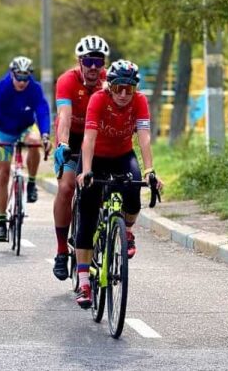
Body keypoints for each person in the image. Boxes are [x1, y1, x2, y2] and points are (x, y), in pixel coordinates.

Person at [74, 59, 164, 308]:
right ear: (109, 86)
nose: (124, 94)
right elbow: (89, 138)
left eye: (130, 89)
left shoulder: (140, 101)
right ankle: (83, 283)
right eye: (118, 88)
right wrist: (87, 171)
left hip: (123, 155)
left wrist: (149, 170)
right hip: (96, 157)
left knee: (134, 189)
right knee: (89, 213)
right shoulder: (98, 100)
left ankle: (127, 231)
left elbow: (144, 138)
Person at [51, 35, 110, 281]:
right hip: (72, 140)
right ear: (80, 61)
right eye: (89, 61)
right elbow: (64, 116)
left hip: (96, 140)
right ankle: (62, 251)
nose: (94, 67)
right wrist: (63, 144)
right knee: (66, 188)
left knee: (97, 188)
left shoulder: (109, 82)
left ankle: (91, 231)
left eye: (99, 61)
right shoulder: (67, 80)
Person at [0, 56, 51, 241]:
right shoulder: (3, 87)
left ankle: (31, 183)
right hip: (4, 130)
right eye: (19, 77)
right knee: (3, 173)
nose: (22, 82)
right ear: (12, 74)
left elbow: (42, 110)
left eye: (26, 78)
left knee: (34, 140)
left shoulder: (34, 88)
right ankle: (1, 222)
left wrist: (45, 134)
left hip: (25, 127)